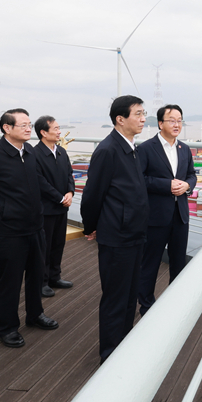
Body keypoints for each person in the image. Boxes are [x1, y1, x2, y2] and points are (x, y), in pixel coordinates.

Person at [0, 108, 58, 348]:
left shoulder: (29, 152)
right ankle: (7, 327)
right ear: (7, 128)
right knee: (10, 282)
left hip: (35, 227)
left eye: (29, 124)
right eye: (23, 125)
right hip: (8, 232)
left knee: (36, 275)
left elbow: (37, 182)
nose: (29, 129)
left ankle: (35, 314)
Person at [80, 95, 149, 361]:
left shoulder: (130, 147)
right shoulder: (108, 150)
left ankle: (123, 347)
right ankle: (109, 355)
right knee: (116, 297)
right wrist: (91, 226)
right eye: (138, 114)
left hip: (133, 232)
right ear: (120, 119)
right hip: (118, 235)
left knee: (130, 295)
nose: (143, 119)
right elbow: (92, 194)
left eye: (144, 113)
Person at [137, 104, 196, 315]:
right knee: (150, 263)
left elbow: (192, 175)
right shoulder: (145, 148)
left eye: (179, 120)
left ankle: (175, 304)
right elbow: (140, 179)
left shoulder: (184, 149)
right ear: (160, 123)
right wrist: (166, 185)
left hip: (180, 216)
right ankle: (146, 306)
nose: (177, 124)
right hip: (156, 217)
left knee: (178, 263)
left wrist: (187, 185)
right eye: (172, 120)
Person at [32, 115, 75, 298]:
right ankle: (41, 282)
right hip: (46, 208)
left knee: (58, 243)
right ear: (43, 132)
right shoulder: (34, 154)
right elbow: (39, 181)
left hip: (61, 207)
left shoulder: (61, 151)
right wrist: (59, 197)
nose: (59, 132)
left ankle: (54, 277)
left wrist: (70, 192)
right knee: (44, 246)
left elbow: (69, 174)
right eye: (55, 129)